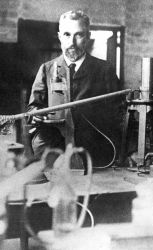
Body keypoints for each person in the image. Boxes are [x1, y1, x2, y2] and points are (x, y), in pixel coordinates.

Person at [27, 10, 122, 166]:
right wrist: (35, 114)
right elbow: (33, 108)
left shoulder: (105, 70)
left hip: (94, 153)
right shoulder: (46, 69)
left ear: (88, 37)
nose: (71, 42)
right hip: (53, 151)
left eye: (79, 35)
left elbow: (120, 114)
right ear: (59, 37)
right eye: (66, 35)